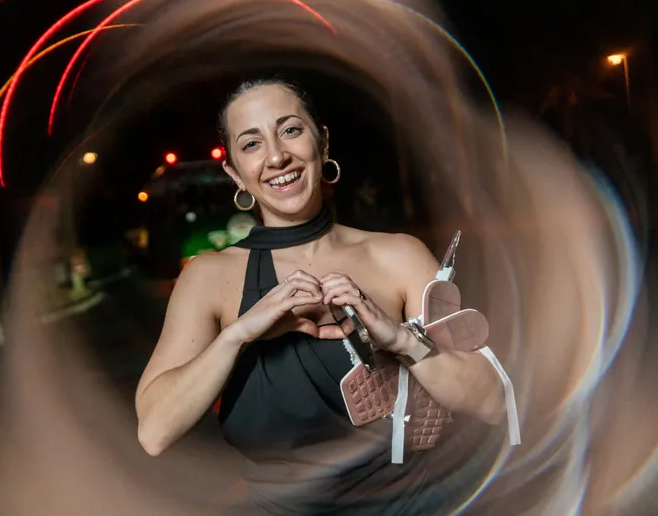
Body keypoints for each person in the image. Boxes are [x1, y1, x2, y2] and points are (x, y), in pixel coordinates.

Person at [135, 78, 509, 514]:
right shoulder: (208, 277)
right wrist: (237, 335)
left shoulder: (398, 255)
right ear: (235, 173)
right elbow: (155, 432)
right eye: (252, 143)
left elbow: (491, 402)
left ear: (323, 142)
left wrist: (403, 341)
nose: (277, 156)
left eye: (290, 130)